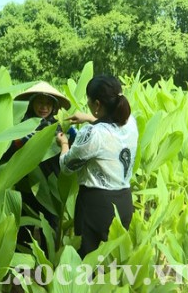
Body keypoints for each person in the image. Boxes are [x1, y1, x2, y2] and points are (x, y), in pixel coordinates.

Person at [56, 74, 138, 258]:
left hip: (96, 206)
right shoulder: (131, 122)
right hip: (124, 202)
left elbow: (67, 166)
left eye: (89, 102)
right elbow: (112, 129)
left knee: (90, 261)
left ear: (98, 104)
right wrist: (88, 117)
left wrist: (63, 144)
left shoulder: (93, 134)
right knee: (113, 262)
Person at [1, 81, 75, 252]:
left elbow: (69, 154)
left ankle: (47, 264)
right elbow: (5, 154)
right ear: (32, 103)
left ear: (54, 107)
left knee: (50, 226)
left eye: (49, 103)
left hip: (51, 185)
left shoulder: (60, 128)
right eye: (40, 102)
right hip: (26, 183)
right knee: (24, 224)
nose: (44, 107)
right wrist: (18, 143)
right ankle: (22, 264)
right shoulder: (20, 127)